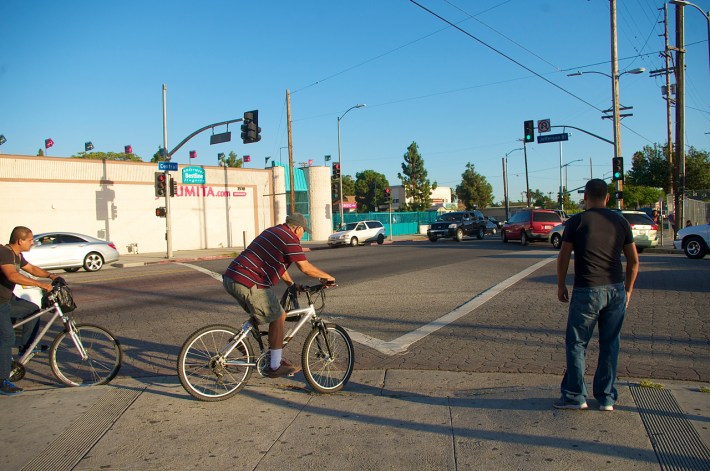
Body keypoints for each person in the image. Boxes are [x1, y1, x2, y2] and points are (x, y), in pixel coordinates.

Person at [555, 179, 639, 411]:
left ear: (585, 197)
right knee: (610, 344)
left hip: (586, 290)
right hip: (615, 290)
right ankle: (606, 398)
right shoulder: (621, 222)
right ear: (607, 197)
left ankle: (575, 396)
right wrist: (628, 290)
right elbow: (633, 261)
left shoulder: (576, 221)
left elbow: (564, 255)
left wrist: (561, 284)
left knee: (577, 343)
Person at [222, 213, 335, 378]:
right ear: (297, 228)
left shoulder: (274, 232)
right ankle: (275, 366)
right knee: (278, 316)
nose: (303, 234)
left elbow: (278, 267)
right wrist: (327, 277)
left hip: (232, 278)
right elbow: (305, 267)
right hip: (248, 281)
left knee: (261, 312)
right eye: (303, 230)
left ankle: (236, 343)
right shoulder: (290, 238)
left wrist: (292, 284)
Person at [1, 226, 59, 395]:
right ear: (20, 241)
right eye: (30, 240)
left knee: (32, 310)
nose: (33, 243)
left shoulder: (17, 255)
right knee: (7, 338)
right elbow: (12, 276)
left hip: (7, 299)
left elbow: (32, 269)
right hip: (0, 302)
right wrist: (40, 284)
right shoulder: (5, 253)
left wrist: (51, 276)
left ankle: (26, 348)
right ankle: (2, 381)